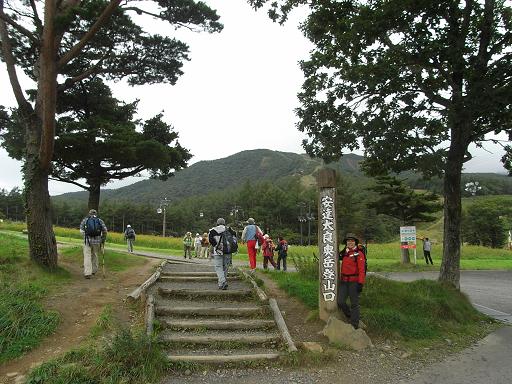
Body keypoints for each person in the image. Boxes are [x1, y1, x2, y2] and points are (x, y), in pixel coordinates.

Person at [338, 233, 366, 329]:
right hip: (344, 281)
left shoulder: (359, 254)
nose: (350, 242)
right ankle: (350, 315)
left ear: (355, 242)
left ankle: (354, 324)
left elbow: (362, 270)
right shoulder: (344, 253)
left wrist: (360, 283)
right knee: (340, 301)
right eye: (348, 240)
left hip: (354, 282)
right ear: (346, 242)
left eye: (352, 241)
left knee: (354, 303)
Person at [208, 218, 236, 290]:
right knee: (225, 267)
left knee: (218, 267)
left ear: (217, 223)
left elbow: (211, 240)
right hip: (228, 251)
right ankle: (221, 283)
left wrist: (216, 246)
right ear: (224, 223)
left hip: (218, 251)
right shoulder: (230, 230)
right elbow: (234, 238)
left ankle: (223, 282)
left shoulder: (213, 230)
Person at [79, 209, 107, 279]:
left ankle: (87, 273)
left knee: (87, 255)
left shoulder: (85, 220)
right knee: (95, 254)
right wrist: (103, 239)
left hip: (87, 241)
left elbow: (81, 230)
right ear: (96, 214)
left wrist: (85, 236)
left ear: (89, 213)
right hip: (97, 241)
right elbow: (105, 231)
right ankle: (94, 270)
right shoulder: (100, 220)